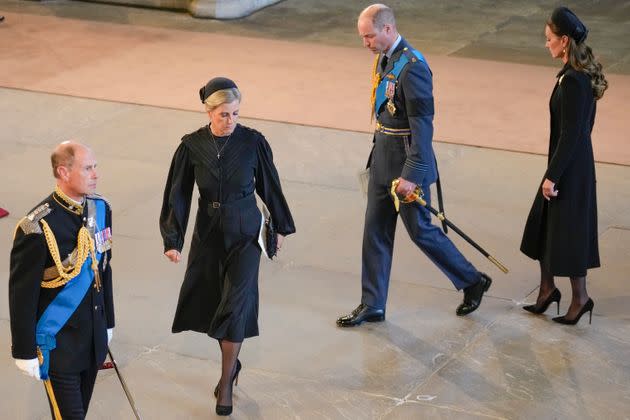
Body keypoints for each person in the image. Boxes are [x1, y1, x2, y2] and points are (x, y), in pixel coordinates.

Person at [337, 4, 492, 328]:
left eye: (369, 36)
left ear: (388, 30)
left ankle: (471, 279)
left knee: (421, 231)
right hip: (383, 159)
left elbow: (424, 129)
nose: (365, 42)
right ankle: (372, 303)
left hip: (407, 165)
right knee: (375, 232)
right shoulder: (385, 58)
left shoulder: (414, 67)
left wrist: (411, 176)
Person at [159, 77, 295, 415]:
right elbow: (177, 194)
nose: (230, 120)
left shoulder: (252, 143)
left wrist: (280, 225)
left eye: (235, 113)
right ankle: (232, 366)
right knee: (214, 304)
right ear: (209, 111)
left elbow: (269, 184)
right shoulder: (191, 146)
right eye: (224, 114)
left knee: (235, 305)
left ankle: (225, 385)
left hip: (246, 231)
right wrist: (172, 239)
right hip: (208, 234)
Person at [9, 141, 114, 419]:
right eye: (88, 168)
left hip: (92, 340)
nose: (95, 174)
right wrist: (24, 349)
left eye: (95, 167)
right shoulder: (37, 227)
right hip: (59, 346)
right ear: (63, 172)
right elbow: (22, 294)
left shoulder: (100, 209)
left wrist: (108, 322)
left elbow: (104, 270)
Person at [521, 7, 607, 325]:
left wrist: (553, 175)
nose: (547, 45)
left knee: (567, 232)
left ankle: (581, 299)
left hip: (570, 168)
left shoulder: (572, 80)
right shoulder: (572, 75)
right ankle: (547, 290)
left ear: (565, 41)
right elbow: (586, 126)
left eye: (550, 39)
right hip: (572, 161)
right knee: (545, 225)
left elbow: (572, 132)